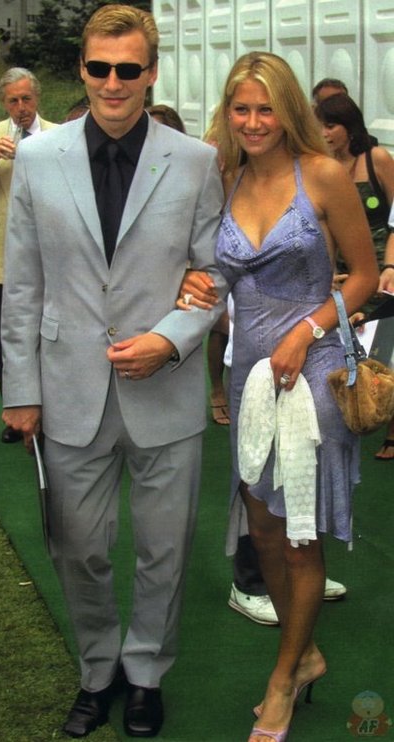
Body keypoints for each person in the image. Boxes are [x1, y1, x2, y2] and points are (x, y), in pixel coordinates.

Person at [1, 4, 226, 739]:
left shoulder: (194, 161)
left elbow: (213, 273)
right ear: (83, 68)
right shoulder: (38, 158)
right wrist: (20, 390)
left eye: (128, 69)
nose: (112, 82)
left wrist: (170, 340)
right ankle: (98, 673)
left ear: (151, 72)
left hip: (166, 389)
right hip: (67, 388)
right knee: (80, 549)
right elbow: (23, 284)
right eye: (99, 67)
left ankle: (147, 675)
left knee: (165, 552)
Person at [178, 51, 378, 741]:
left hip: (311, 367)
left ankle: (283, 679)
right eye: (242, 109)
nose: (254, 121)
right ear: (228, 114)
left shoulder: (321, 174)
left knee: (298, 535)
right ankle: (306, 653)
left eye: (266, 108)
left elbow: (364, 274)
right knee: (262, 526)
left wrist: (308, 330)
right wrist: (197, 283)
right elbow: (213, 273)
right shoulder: (224, 178)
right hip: (248, 374)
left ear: (287, 110)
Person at [314, 93, 394, 460]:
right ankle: (357, 412)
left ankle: (391, 429)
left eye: (330, 126)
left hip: (385, 269)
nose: (324, 133)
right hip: (347, 275)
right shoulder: (323, 166)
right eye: (320, 126)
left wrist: (390, 266)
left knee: (387, 349)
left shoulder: (377, 159)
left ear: (350, 127)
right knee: (350, 346)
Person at [0, 67, 57, 443]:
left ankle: (53, 411)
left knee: (47, 338)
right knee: (8, 340)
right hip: (1, 262)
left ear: (37, 98)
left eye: (26, 99)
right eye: (13, 101)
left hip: (50, 259)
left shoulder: (58, 136)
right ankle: (16, 413)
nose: (21, 107)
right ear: (4, 103)